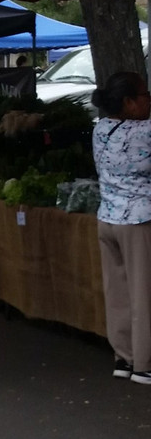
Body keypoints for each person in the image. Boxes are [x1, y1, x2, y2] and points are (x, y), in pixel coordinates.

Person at [90, 71, 151, 385]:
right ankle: (145, 363)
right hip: (138, 220)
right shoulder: (145, 132)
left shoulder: (101, 129)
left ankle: (123, 358)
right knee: (143, 293)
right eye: (144, 95)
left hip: (108, 218)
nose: (148, 100)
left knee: (117, 293)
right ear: (128, 102)